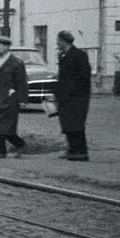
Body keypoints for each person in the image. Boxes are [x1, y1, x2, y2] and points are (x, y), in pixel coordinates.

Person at [0, 35, 29, 159]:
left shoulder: (16, 63)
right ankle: (20, 145)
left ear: (6, 47)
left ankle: (0, 151)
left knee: (1, 125)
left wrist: (23, 99)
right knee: (1, 127)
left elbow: (22, 82)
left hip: (9, 98)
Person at [53, 30, 92, 161]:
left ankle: (81, 151)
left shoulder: (79, 55)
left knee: (76, 123)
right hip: (65, 96)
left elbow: (84, 76)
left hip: (77, 96)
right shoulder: (63, 55)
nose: (57, 43)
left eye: (58, 40)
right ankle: (71, 149)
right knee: (67, 123)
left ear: (64, 41)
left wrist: (72, 89)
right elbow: (62, 76)